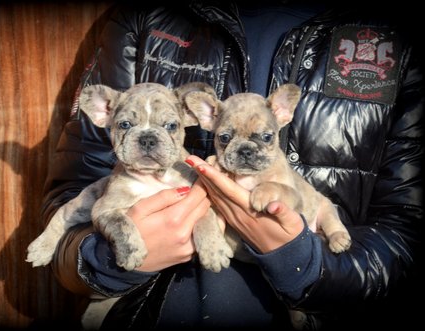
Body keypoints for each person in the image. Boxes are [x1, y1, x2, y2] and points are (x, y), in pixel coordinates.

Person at [40, 1, 423, 330]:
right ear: (204, 118)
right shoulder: (146, 14)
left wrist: (309, 266)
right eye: (224, 137)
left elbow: (407, 231)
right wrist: (105, 259)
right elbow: (75, 195)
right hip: (150, 310)